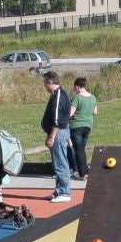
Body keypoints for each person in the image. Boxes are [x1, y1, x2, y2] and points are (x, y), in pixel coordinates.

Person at [40, 71, 73, 202]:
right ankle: (59, 190)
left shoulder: (59, 95)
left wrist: (52, 136)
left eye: (45, 83)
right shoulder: (56, 95)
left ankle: (65, 192)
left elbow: (58, 120)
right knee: (57, 162)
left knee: (61, 163)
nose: (44, 86)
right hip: (57, 132)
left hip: (58, 133)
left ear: (50, 82)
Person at [68, 76, 97, 179]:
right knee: (81, 149)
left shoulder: (77, 97)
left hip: (77, 126)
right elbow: (95, 112)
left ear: (78, 86)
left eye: (74, 87)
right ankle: (85, 170)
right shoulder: (93, 97)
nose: (74, 89)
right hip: (88, 126)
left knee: (79, 150)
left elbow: (70, 113)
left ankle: (83, 173)